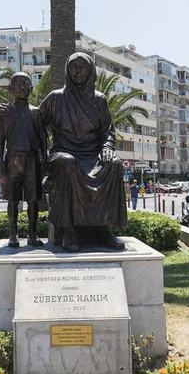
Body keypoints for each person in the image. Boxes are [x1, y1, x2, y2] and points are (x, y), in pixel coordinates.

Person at [40, 52, 127, 251]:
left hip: (93, 154)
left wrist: (107, 147)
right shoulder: (56, 98)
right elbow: (36, 123)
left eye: (83, 67)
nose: (78, 72)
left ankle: (104, 229)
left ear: (91, 71)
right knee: (67, 163)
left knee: (113, 164)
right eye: (73, 67)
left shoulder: (100, 100)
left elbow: (108, 131)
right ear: (67, 70)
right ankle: (69, 230)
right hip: (63, 153)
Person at [0, 72, 47, 247]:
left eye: (25, 84)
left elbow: (42, 138)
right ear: (11, 89)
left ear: (31, 89)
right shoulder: (7, 112)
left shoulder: (36, 112)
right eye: (17, 85)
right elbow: (0, 138)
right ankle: (13, 235)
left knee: (33, 199)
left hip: (32, 159)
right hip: (12, 158)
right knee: (13, 199)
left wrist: (45, 158)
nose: (21, 88)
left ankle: (32, 235)